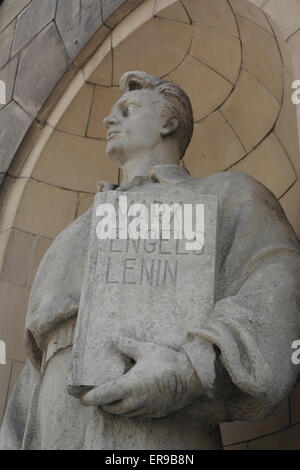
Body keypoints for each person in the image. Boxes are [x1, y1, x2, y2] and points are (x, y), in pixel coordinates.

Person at [1, 71, 300, 450]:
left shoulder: (228, 194)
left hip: (163, 429)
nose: (110, 120)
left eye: (127, 110)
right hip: (55, 423)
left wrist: (191, 371)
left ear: (168, 122)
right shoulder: (74, 232)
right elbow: (38, 361)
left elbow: (280, 286)